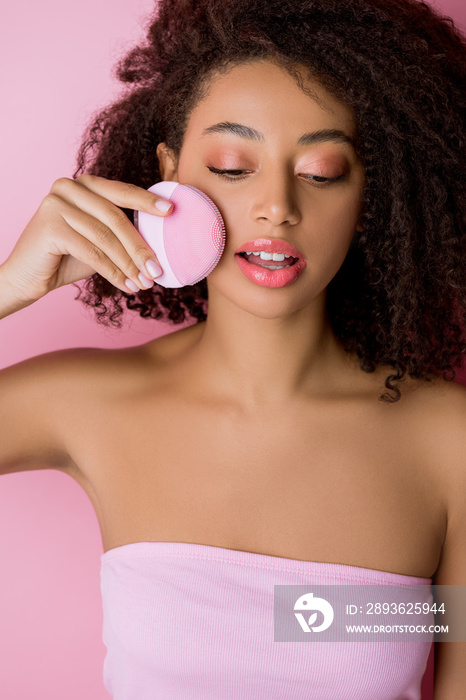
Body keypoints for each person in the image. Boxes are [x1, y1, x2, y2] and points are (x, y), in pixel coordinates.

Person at [0, 0, 465, 697]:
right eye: (232, 165)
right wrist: (8, 287)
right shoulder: (86, 406)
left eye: (322, 170)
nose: (277, 206)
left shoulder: (448, 444)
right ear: (170, 173)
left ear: (373, 193)